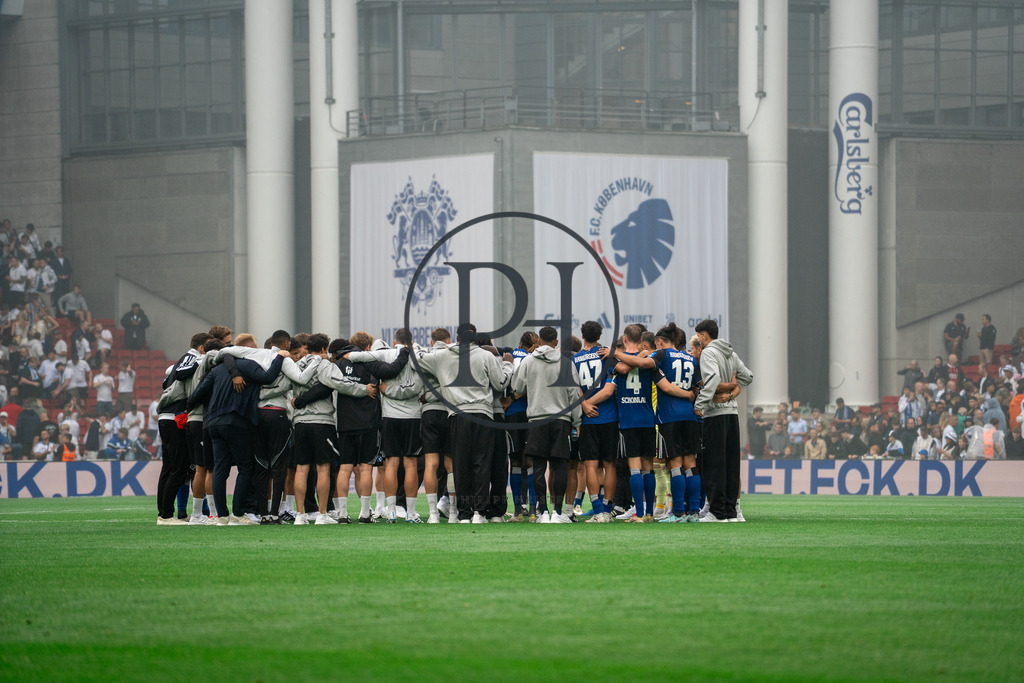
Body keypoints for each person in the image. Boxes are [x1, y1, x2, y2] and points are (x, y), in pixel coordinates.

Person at [417, 323, 513, 524]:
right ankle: (479, 512)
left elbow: (416, 361)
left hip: (457, 415)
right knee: (481, 463)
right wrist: (507, 364)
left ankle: (464, 514)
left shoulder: (442, 356)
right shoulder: (485, 356)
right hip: (483, 414)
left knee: (460, 465)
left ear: (457, 338)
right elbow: (500, 383)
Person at [185, 339, 288, 525]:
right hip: (236, 421)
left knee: (220, 469)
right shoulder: (248, 365)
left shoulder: (216, 370)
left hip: (213, 423)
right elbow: (268, 378)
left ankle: (222, 516)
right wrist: (280, 357)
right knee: (246, 467)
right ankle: (238, 514)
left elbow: (197, 394)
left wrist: (187, 409)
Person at [288, 333, 375, 525]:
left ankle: (300, 515)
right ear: (322, 349)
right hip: (321, 421)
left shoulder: (297, 364)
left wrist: (296, 402)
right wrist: (363, 389)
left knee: (301, 469)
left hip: (300, 422)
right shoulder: (324, 364)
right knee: (323, 469)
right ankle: (321, 514)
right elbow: (339, 383)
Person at [345, 328, 421, 523]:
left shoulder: (384, 353)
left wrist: (345, 354)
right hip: (412, 416)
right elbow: (418, 388)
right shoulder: (417, 355)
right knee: (411, 464)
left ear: (394, 341)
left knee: (391, 464)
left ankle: (392, 511)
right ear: (411, 341)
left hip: (389, 417)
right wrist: (397, 391)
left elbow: (354, 356)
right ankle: (411, 513)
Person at [511, 326, 581, 524]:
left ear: (540, 341)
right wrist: (577, 421)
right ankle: (558, 512)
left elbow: (517, 387)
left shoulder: (528, 361)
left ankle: (543, 511)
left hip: (537, 419)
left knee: (539, 465)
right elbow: (573, 395)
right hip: (561, 420)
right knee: (560, 465)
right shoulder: (566, 363)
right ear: (556, 342)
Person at [693, 318, 753, 523]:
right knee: (730, 465)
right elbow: (747, 378)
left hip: (715, 414)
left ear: (704, 335)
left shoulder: (709, 352)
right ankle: (730, 511)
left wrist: (699, 404)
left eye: (699, 335)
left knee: (715, 464)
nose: (699, 339)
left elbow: (712, 380)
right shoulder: (731, 353)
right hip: (732, 414)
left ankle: (717, 512)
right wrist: (732, 392)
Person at [574, 321, 618, 523]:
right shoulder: (608, 355)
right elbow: (609, 390)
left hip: (588, 420)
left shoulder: (575, 359)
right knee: (610, 464)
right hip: (609, 417)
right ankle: (608, 511)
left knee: (590, 465)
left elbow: (575, 389)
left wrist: (584, 405)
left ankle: (598, 511)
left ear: (582, 336)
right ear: (599, 335)